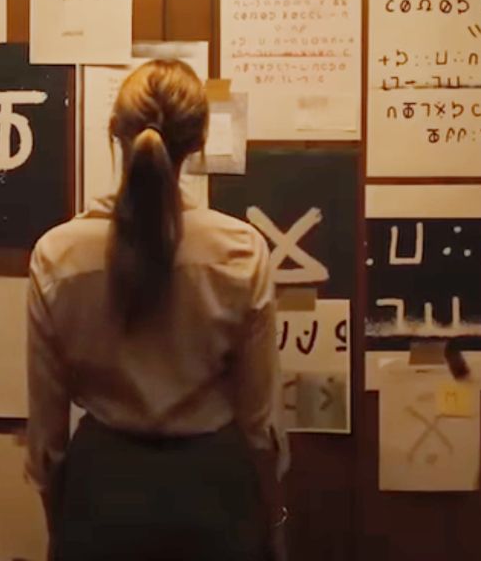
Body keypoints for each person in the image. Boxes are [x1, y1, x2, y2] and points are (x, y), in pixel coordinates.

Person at [26, 59, 287, 561]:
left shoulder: (57, 255)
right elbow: (261, 424)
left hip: (101, 492)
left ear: (115, 134)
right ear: (199, 142)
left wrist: (61, 527)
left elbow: (47, 437)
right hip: (213, 493)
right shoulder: (239, 251)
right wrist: (274, 522)